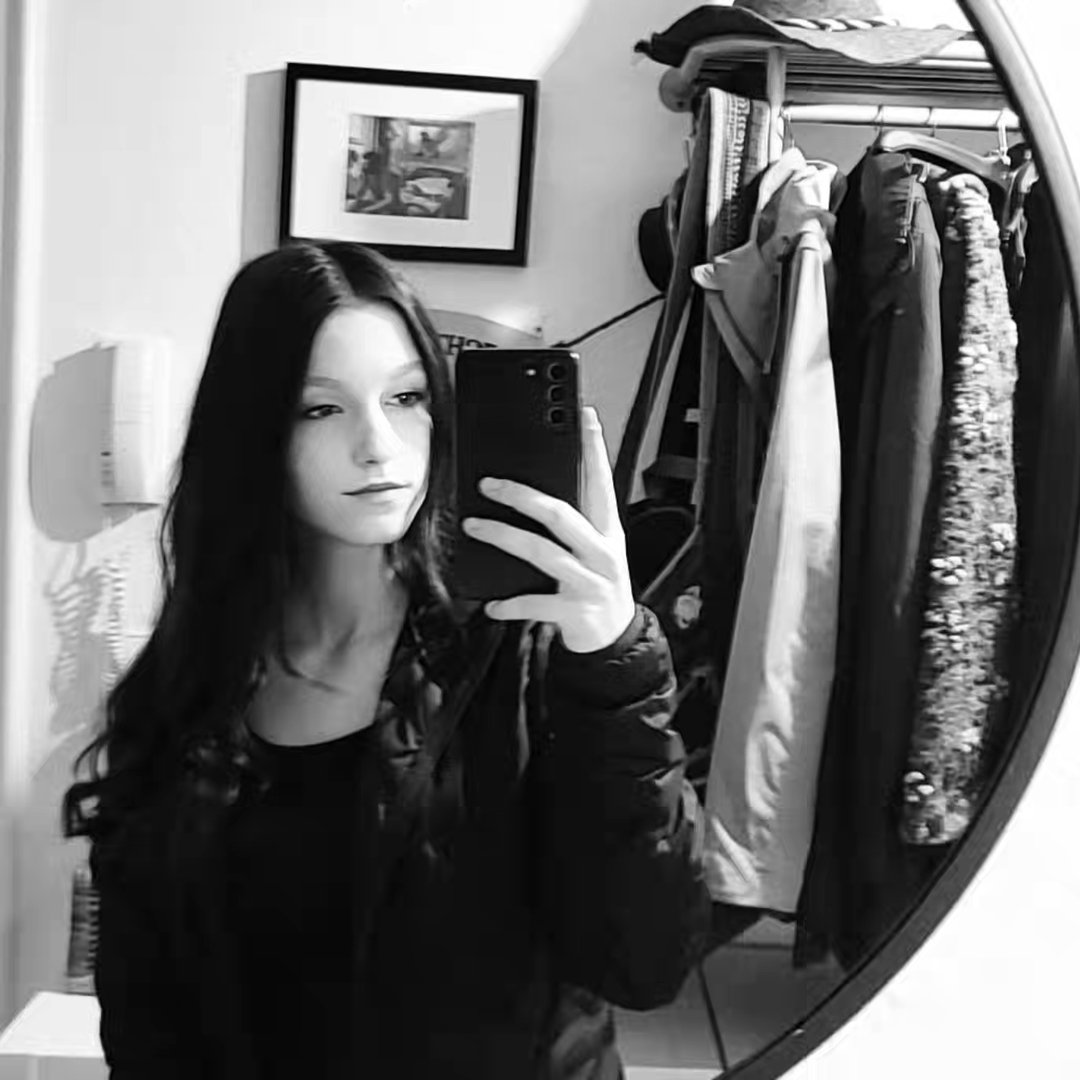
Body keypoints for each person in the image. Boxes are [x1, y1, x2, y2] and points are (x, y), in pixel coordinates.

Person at [62, 241, 711, 1079]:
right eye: (318, 409)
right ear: (252, 432)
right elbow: (147, 1010)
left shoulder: (529, 647)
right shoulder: (187, 686)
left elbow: (644, 962)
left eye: (406, 397)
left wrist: (616, 665)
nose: (377, 445)